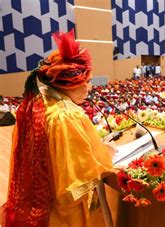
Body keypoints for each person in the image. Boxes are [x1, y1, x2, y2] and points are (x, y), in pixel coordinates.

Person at [2, 30, 115, 226]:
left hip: (39, 203)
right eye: (87, 82)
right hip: (63, 215)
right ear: (71, 83)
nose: (89, 88)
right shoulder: (65, 115)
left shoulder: (37, 103)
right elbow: (75, 186)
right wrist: (105, 155)